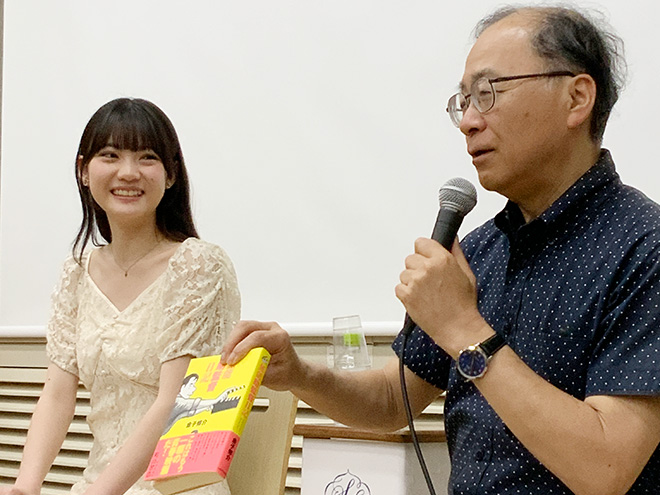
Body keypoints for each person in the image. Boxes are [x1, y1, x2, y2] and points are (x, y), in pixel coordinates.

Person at [221, 5, 660, 495]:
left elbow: (605, 469)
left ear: (576, 98)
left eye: (489, 93)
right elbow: (393, 401)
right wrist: (301, 374)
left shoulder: (645, 247)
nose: (468, 121)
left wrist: (463, 328)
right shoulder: (482, 250)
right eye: (463, 101)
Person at [1, 98, 240, 495]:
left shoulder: (198, 265)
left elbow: (174, 402)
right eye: (110, 155)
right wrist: (25, 487)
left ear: (171, 175)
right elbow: (57, 394)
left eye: (147, 158)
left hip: (171, 488)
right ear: (83, 170)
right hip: (98, 484)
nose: (128, 172)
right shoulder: (77, 271)